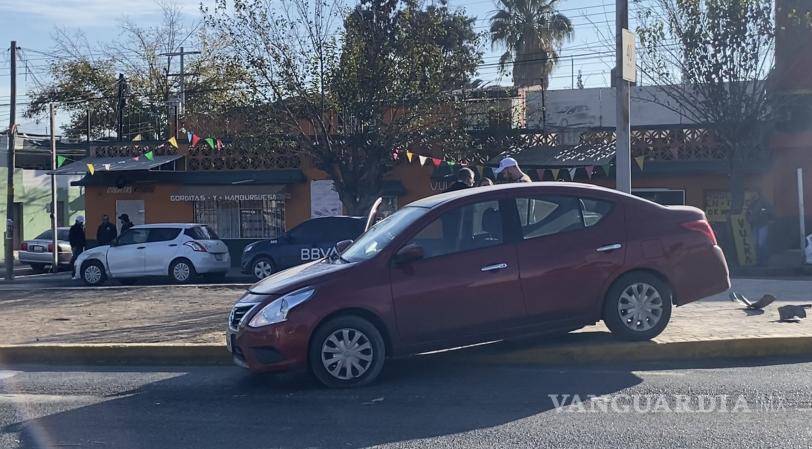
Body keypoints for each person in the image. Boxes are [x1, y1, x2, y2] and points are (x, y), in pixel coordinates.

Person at [747, 192, 773, 266]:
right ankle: (759, 261)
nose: (753, 194)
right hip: (756, 225)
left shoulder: (763, 202)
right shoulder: (753, 203)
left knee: (761, 243)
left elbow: (769, 211)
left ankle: (764, 261)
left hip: (762, 224)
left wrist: (767, 217)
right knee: (755, 243)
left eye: (754, 193)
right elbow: (749, 212)